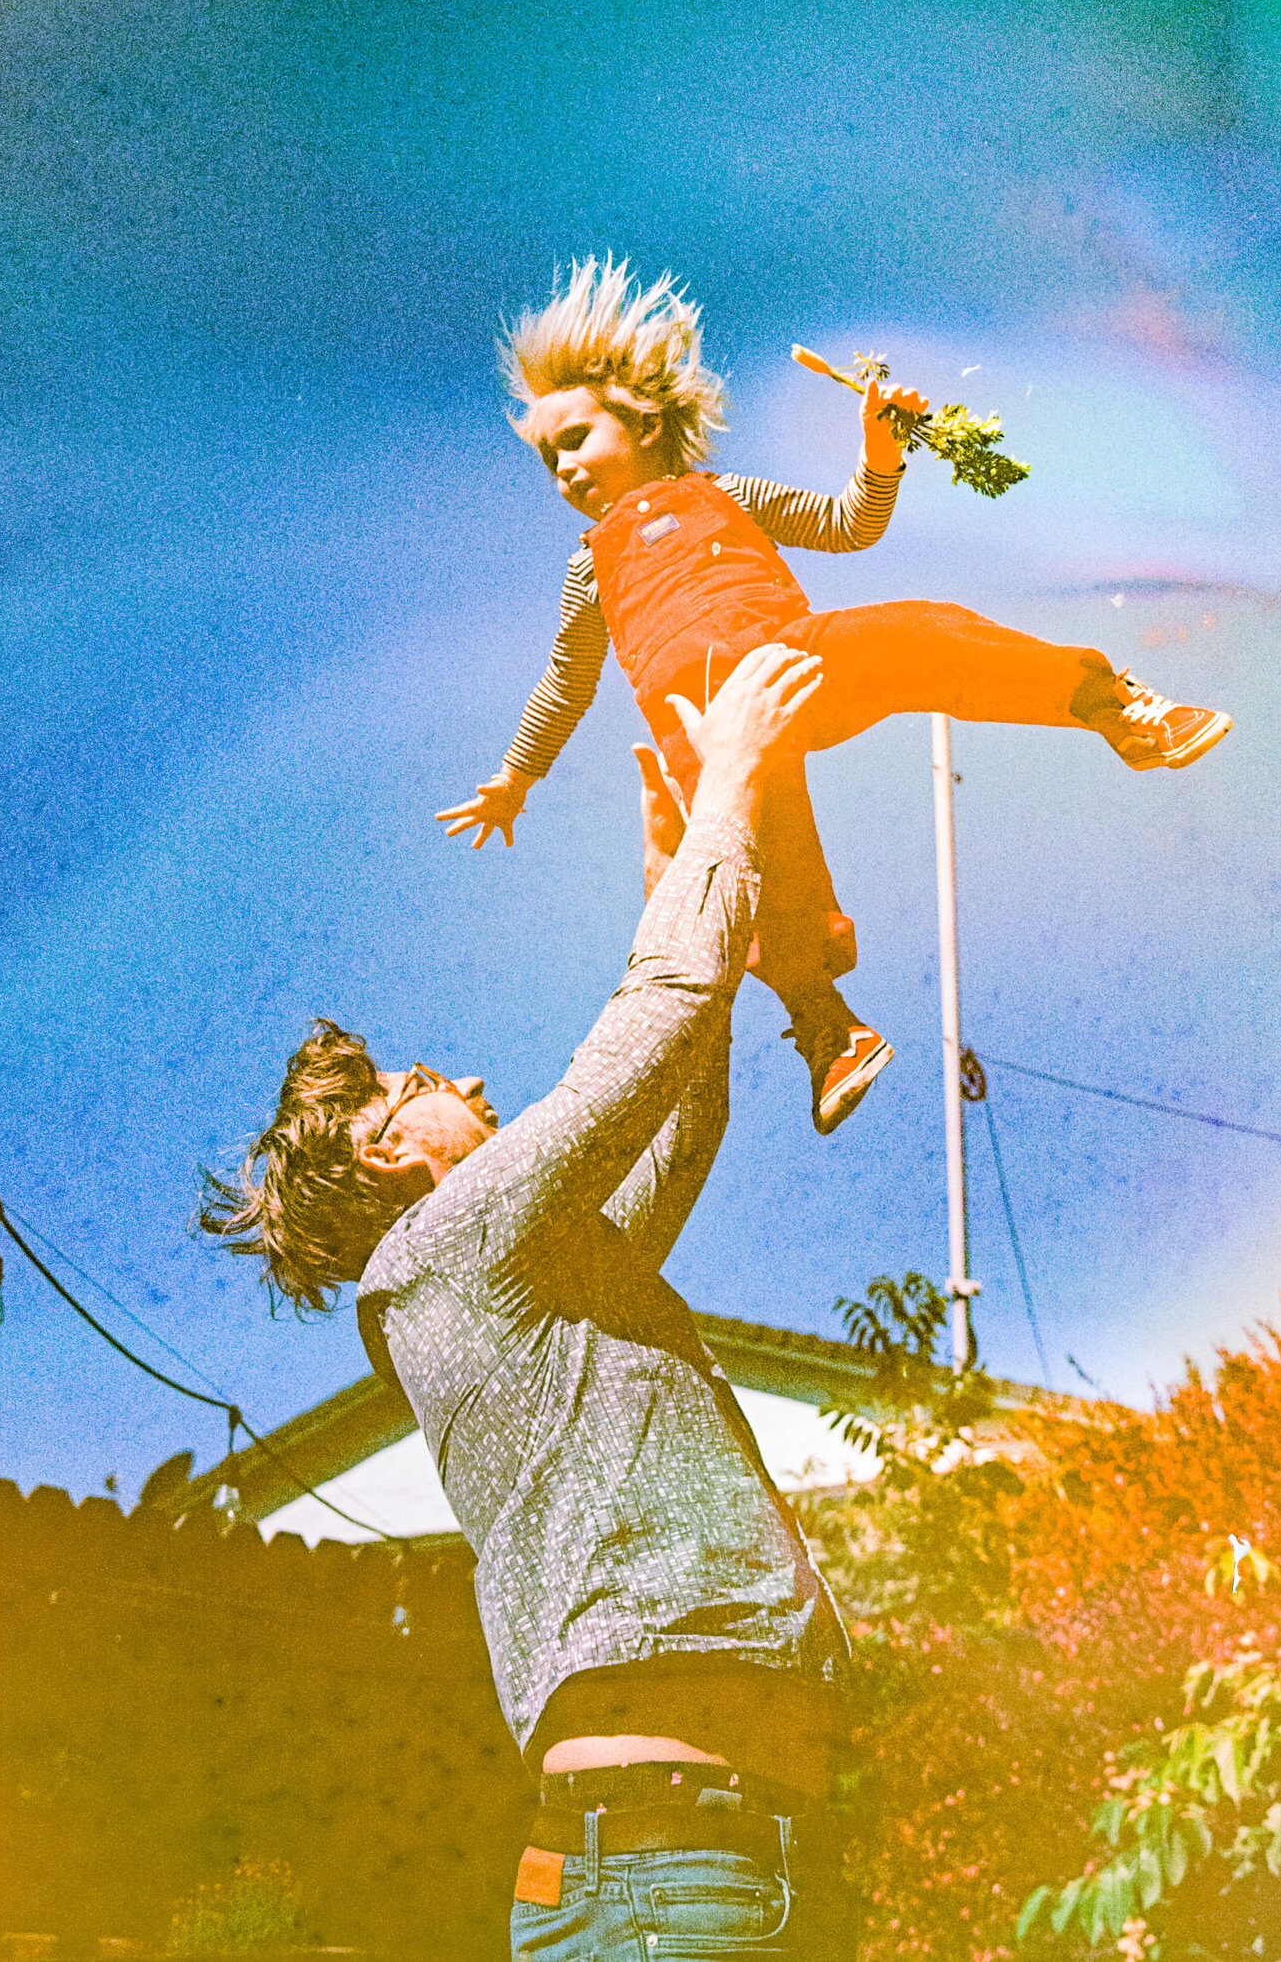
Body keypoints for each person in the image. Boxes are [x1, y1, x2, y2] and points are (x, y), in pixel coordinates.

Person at [203, 643, 862, 1961]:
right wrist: (728, 786)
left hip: (722, 1858)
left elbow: (681, 1106)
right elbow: (652, 1024)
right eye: (418, 1079)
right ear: (389, 1154)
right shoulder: (452, 1246)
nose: (459, 1078)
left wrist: (678, 871)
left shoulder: (533, 1272)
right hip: (673, 1871)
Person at [438, 255, 1233, 1135]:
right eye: (550, 461)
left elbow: (850, 526)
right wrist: (519, 776)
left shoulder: (723, 494)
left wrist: (880, 453)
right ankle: (826, 1028)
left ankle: (1107, 705)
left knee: (925, 631)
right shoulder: (590, 567)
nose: (564, 471)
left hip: (793, 658)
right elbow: (566, 679)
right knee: (767, 869)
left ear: (644, 418)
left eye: (575, 440)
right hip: (707, 734)